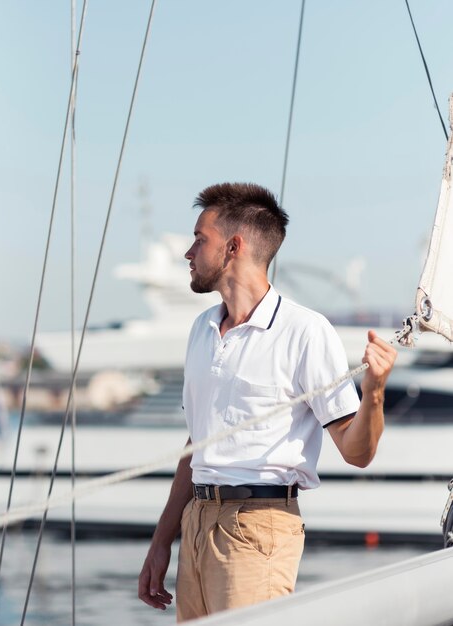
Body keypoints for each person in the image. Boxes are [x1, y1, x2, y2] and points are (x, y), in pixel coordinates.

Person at [138, 182, 397, 621]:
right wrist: (162, 540)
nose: (188, 252)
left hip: (257, 527)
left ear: (234, 247)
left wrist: (374, 391)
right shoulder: (201, 329)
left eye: (200, 239)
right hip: (196, 523)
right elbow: (195, 447)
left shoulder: (305, 331)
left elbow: (357, 453)